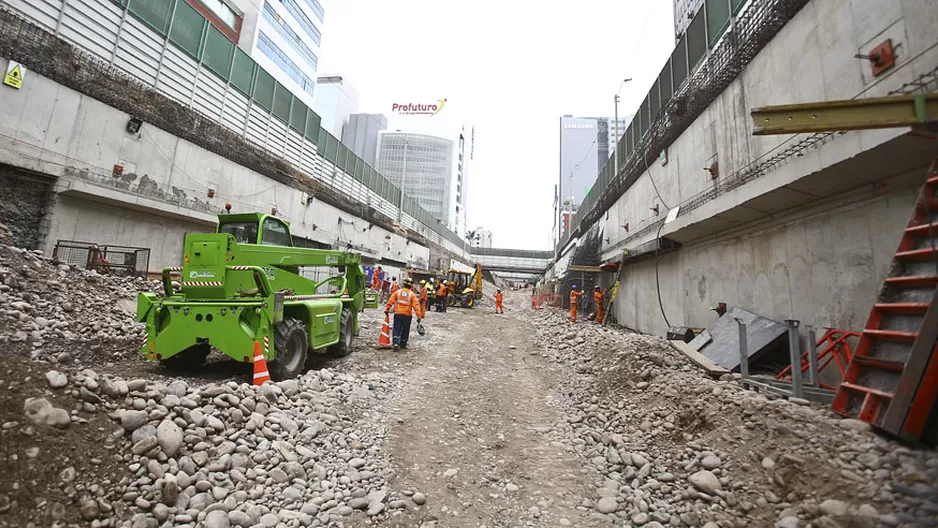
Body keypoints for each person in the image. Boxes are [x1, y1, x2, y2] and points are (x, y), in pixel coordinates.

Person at [385, 278, 423, 350]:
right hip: (407, 315)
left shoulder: (398, 292)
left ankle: (396, 343)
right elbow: (416, 306)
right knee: (406, 329)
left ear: (404, 284)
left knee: (396, 328)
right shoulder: (412, 295)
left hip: (398, 314)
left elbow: (390, 301)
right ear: (411, 286)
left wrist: (387, 310)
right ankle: (403, 343)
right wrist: (419, 316)